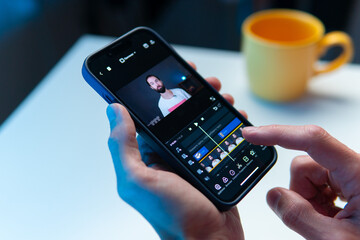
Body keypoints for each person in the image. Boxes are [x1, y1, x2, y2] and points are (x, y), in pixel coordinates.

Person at [106, 64, 360, 239]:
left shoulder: (181, 91)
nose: (156, 82)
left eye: (156, 79)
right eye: (151, 82)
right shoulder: (162, 105)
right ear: (151, 88)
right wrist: (211, 235)